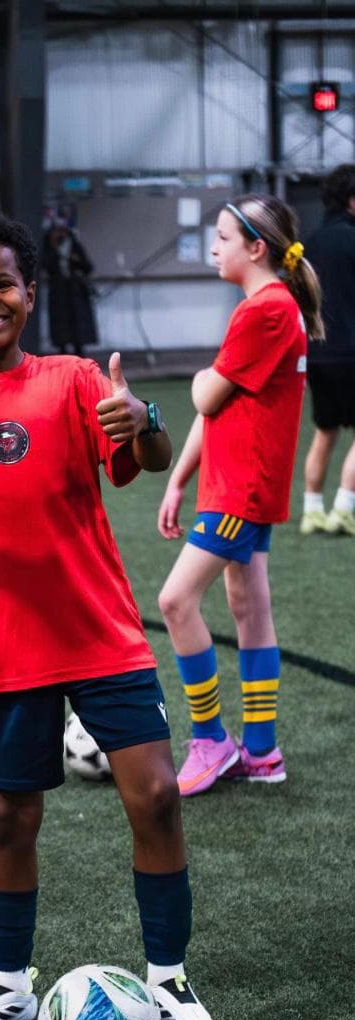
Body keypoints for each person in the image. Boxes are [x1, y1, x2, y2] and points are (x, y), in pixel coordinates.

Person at [0, 207, 229, 1020]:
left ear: (28, 293)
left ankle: (172, 985)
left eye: (2, 283)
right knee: (8, 818)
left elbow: (143, 461)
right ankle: (9, 990)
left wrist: (143, 420)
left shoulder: (72, 379)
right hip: (4, 650)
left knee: (158, 797)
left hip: (103, 634)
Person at [157, 195, 324, 797]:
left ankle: (211, 741)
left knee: (176, 602)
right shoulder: (265, 308)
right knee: (250, 608)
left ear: (257, 248)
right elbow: (221, 404)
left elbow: (205, 396)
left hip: (242, 490)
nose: (214, 246)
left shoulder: (268, 311)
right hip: (236, 484)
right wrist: (179, 478)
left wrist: (203, 378)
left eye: (224, 237)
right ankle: (261, 752)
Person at [300, 164, 355, 536]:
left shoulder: (310, 243)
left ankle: (311, 510)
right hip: (352, 353)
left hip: (316, 353)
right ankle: (344, 509)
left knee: (325, 430)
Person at [41, 219, 97, 356]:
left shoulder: (74, 246)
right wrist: (53, 248)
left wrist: (75, 260)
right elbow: (45, 266)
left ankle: (80, 352)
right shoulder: (49, 247)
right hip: (58, 293)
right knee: (61, 326)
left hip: (75, 291)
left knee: (78, 325)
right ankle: (63, 352)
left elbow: (88, 267)